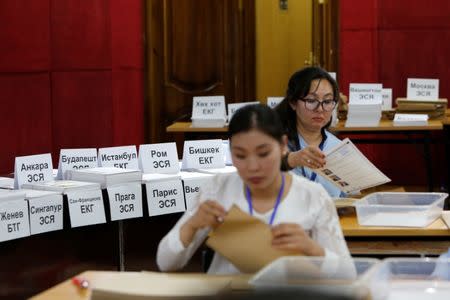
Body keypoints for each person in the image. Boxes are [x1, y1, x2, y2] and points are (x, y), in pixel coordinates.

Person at [157, 104, 351, 274]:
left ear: (283, 145)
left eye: (263, 153)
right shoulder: (217, 189)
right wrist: (192, 225)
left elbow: (347, 273)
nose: (253, 167)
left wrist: (312, 249)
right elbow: (165, 263)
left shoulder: (312, 195)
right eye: (240, 155)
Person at [275, 66, 345, 198]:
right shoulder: (274, 141)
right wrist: (292, 159)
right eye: (311, 100)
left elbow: (350, 197)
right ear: (293, 102)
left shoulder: (339, 148)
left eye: (327, 101)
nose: (320, 109)